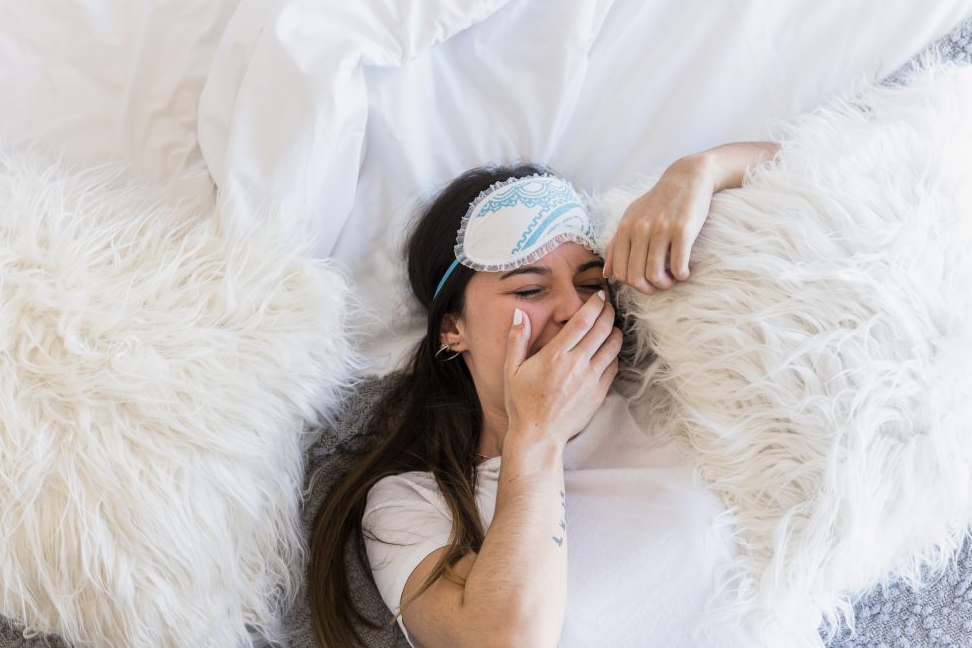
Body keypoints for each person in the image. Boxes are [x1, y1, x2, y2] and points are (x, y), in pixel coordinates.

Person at [308, 143, 779, 647]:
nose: (573, 310)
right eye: (529, 290)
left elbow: (825, 185)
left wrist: (699, 171)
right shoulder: (413, 503)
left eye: (590, 283)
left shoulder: (664, 392)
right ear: (453, 328)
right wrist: (538, 435)